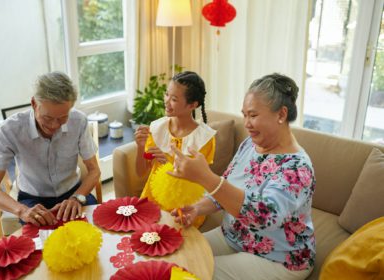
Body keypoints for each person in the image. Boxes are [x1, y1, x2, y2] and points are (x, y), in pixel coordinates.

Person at [170, 73, 316, 280]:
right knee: (178, 256)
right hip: (234, 236)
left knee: (192, 272)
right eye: (244, 115)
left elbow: (263, 218)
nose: (246, 123)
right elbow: (227, 186)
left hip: (279, 258)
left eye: (253, 115)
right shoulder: (251, 144)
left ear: (281, 115)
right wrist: (198, 208)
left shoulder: (297, 168)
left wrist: (205, 177)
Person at [0, 71, 101, 227]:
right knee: (42, 246)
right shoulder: (10, 129)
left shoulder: (79, 121)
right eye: (47, 117)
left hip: (74, 193)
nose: (54, 125)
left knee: (94, 234)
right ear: (34, 104)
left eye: (62, 118)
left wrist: (77, 197)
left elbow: (94, 171)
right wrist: (22, 210)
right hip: (32, 199)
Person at [135, 71, 216, 220]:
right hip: (153, 199)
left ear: (192, 105)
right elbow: (140, 172)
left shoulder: (204, 139)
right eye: (166, 94)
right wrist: (140, 147)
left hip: (183, 206)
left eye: (173, 99)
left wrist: (168, 164)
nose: (166, 101)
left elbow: (199, 182)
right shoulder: (157, 128)